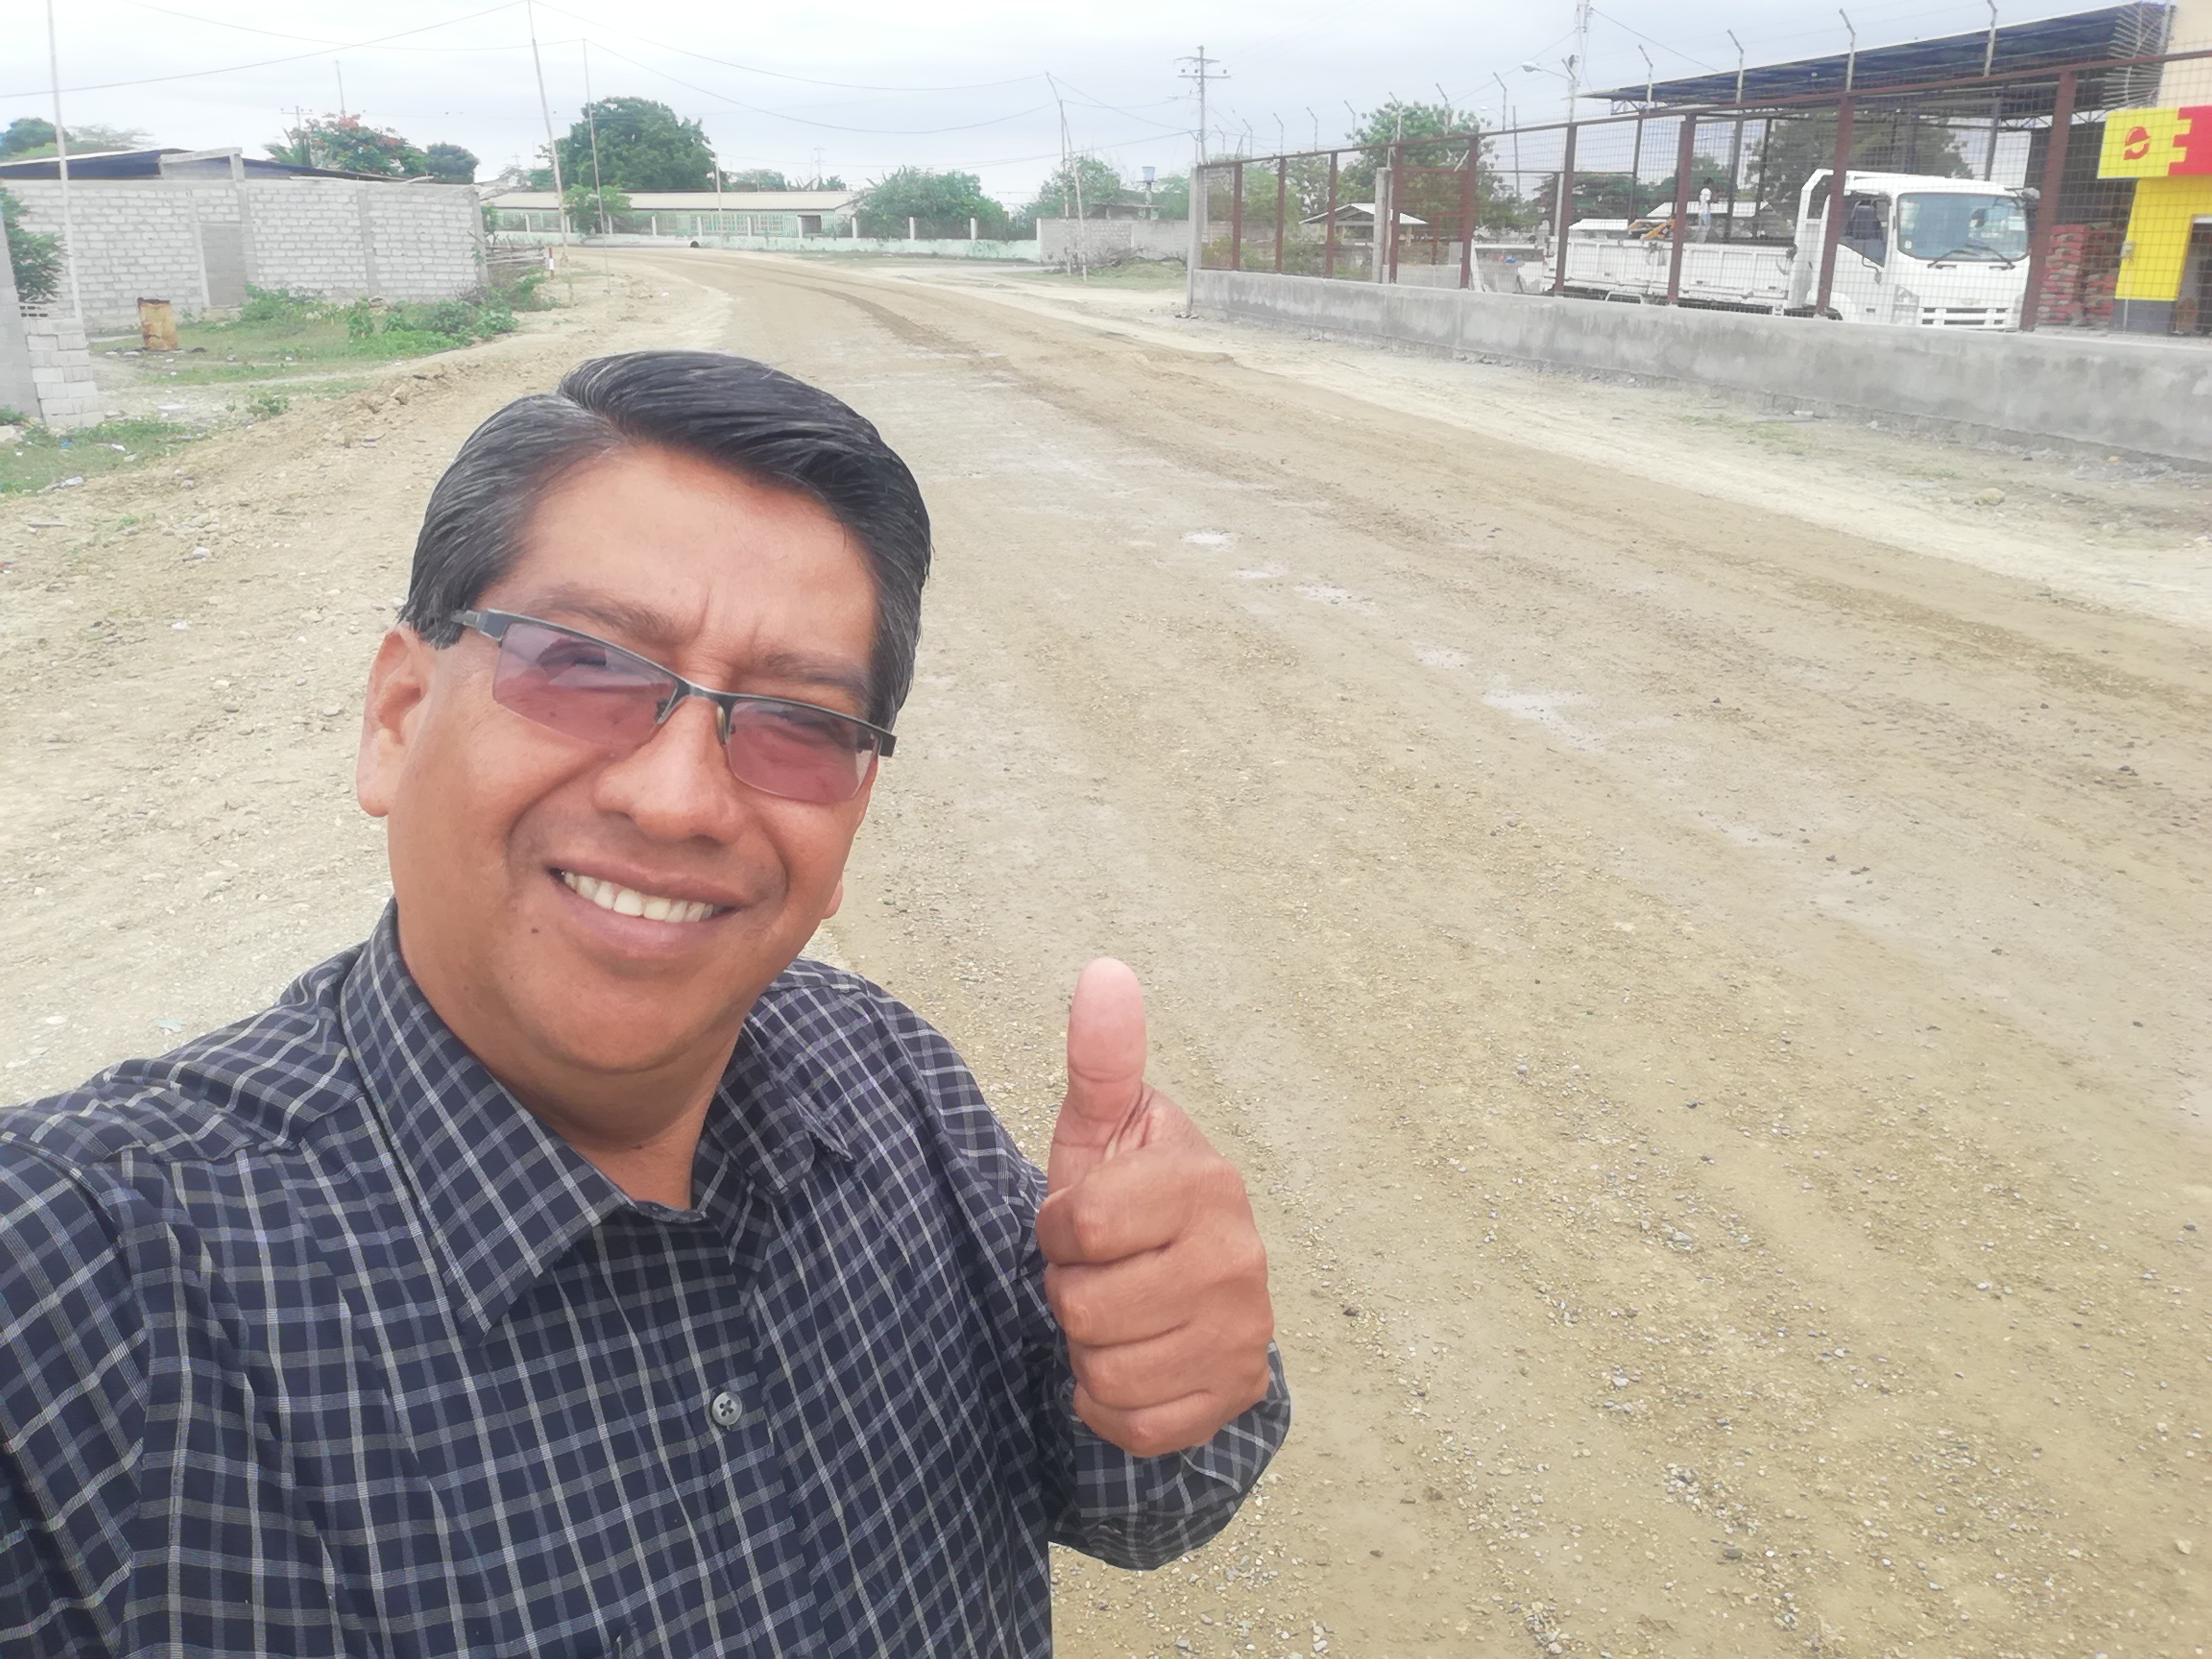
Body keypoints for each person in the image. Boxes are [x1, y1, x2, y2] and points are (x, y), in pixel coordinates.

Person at [0, 350, 1287, 1656]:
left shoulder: (892, 1086)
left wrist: (1173, 1365)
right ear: (397, 716)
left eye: (794, 722)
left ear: (852, 814)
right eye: (582, 666)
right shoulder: (76, 1300)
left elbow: (1137, 1504)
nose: (676, 800)